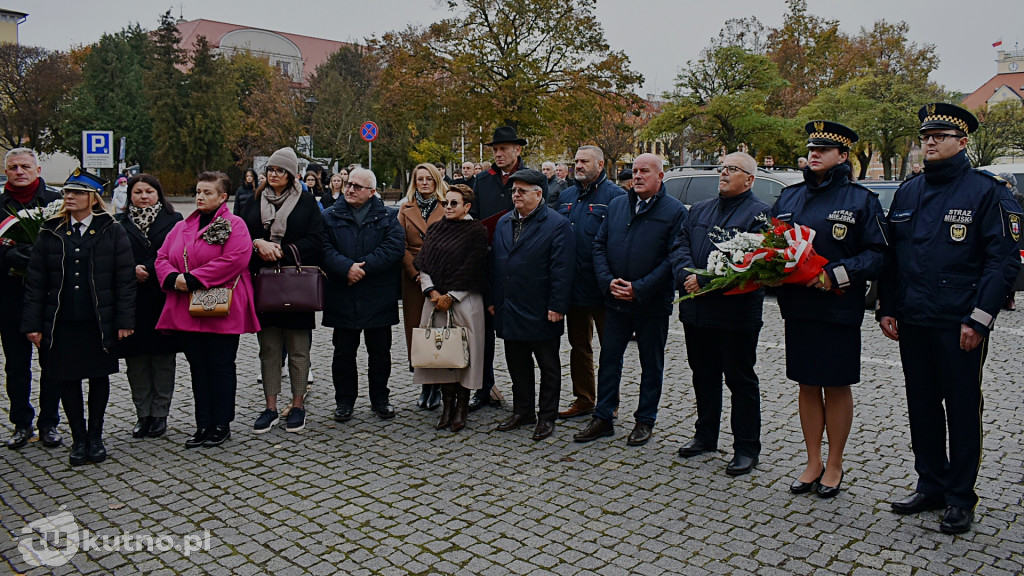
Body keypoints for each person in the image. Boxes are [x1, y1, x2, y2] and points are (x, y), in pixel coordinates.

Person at [879, 103, 1021, 534]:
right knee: (921, 407)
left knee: (961, 409)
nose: (931, 143)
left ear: (963, 143)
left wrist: (979, 320)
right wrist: (887, 306)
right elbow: (894, 258)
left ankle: (961, 496)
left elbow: (1002, 263)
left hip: (958, 323)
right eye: (926, 137)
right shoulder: (908, 191)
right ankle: (931, 484)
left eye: (940, 137)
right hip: (915, 319)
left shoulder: (986, 190)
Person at [770, 121, 886, 499]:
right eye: (811, 148)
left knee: (835, 385)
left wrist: (836, 274)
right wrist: (769, 269)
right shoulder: (789, 197)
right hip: (798, 306)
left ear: (843, 156)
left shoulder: (861, 200)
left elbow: (878, 253)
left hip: (838, 306)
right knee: (806, 383)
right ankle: (812, 460)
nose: (814, 153)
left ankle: (835, 463)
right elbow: (771, 243)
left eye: (824, 149)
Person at [22, 169, 136, 466]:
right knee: (66, 378)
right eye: (67, 193)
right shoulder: (50, 230)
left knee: (99, 377)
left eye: (76, 193)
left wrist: (125, 320)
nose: (69, 197)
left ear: (92, 198)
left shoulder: (111, 229)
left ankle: (96, 436)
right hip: (61, 321)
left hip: (98, 320)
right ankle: (78, 437)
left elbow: (124, 279)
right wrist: (33, 324)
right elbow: (36, 281)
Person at [574, 153, 687, 447]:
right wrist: (607, 281)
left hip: (650, 303)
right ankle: (603, 417)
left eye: (644, 171)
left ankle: (644, 420)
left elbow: (672, 258)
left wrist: (640, 288)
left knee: (651, 363)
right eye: (635, 171)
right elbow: (599, 245)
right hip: (615, 300)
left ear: (660, 176)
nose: (637, 176)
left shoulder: (674, 211)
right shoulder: (617, 206)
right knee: (609, 359)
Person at [671, 152, 770, 476]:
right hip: (697, 311)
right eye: (722, 168)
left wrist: (706, 280)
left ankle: (746, 447)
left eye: (732, 169)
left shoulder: (760, 215)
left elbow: (754, 262)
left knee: (740, 380)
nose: (723, 173)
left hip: (735, 314)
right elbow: (679, 245)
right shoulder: (699, 209)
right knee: (704, 375)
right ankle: (705, 435)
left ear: (750, 179)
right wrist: (686, 274)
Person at [155, 171, 260, 449]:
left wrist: (191, 279)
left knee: (221, 366)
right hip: (188, 307)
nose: (200, 197)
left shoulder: (234, 224)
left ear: (223, 197)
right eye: (198, 191)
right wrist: (171, 277)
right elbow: (163, 256)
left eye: (208, 192)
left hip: (221, 305)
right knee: (198, 367)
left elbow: (236, 258)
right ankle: (203, 423)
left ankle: (221, 424)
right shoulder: (182, 226)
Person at [244, 147, 324, 434]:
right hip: (263, 284)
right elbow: (239, 237)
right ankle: (270, 406)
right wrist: (257, 245)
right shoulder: (251, 201)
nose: (274, 175)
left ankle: (298, 404)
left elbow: (317, 240)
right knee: (269, 349)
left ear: (292, 175)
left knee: (299, 349)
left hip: (295, 283)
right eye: (271, 170)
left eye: (281, 171)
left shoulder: (305, 202)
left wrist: (283, 251)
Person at [490, 169, 573, 441]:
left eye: (522, 191)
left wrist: (557, 306)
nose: (516, 195)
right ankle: (523, 410)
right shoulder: (504, 222)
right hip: (509, 305)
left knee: (548, 366)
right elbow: (494, 264)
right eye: (514, 190)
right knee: (517, 363)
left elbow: (562, 269)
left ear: (539, 194)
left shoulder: (557, 224)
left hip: (541, 308)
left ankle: (546, 416)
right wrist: (493, 299)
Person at [322, 167, 404, 422]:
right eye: (348, 184)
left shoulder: (389, 216)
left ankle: (380, 398)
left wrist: (363, 268)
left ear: (372, 192)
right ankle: (344, 401)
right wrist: (345, 268)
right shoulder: (329, 216)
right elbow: (322, 248)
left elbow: (394, 248)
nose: (350, 189)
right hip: (342, 293)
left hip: (377, 294)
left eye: (357, 186)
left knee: (380, 352)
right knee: (343, 353)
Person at [554, 146, 624, 420]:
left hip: (604, 287)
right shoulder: (567, 195)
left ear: (600, 164)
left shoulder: (615, 196)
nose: (578, 166)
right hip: (575, 286)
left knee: (611, 349)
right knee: (579, 347)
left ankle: (609, 403)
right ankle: (584, 399)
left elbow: (619, 242)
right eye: (575, 161)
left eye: (584, 161)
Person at [413, 184, 489, 431]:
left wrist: (452, 296)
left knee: (465, 355)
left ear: (467, 206)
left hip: (464, 303)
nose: (448, 207)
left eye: (454, 203)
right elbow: (424, 263)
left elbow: (475, 268)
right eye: (446, 202)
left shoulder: (476, 231)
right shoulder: (435, 229)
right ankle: (447, 406)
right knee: (442, 353)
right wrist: (433, 292)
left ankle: (462, 408)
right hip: (435, 303)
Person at [1, 148, 62, 450]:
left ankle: (49, 422)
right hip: (10, 296)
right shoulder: (0, 205)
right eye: (13, 167)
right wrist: (8, 255)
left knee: (51, 362)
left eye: (25, 166)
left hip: (49, 298)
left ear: (38, 170)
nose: (19, 171)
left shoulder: (55, 203)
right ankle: (21, 422)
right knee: (16, 364)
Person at [116, 174, 183, 439]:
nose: (143, 196)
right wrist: (129, 270)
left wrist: (155, 270)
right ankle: (142, 413)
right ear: (129, 196)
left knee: (163, 359)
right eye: (137, 192)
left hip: (163, 297)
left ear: (159, 194)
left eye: (149, 191)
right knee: (136, 360)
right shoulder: (118, 223)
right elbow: (110, 257)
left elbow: (180, 254)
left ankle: (160, 414)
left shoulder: (174, 221)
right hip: (132, 301)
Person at [468, 126, 529, 411]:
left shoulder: (529, 179)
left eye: (503, 149)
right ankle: (484, 386)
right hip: (488, 261)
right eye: (495, 150)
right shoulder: (482, 180)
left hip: (519, 264)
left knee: (518, 332)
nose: (498, 154)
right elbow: (474, 220)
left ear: (518, 150)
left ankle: (524, 396)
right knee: (483, 330)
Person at [398, 163, 447, 410]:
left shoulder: (447, 204)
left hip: (441, 276)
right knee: (418, 330)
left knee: (438, 329)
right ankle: (424, 383)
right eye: (420, 179)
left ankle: (437, 384)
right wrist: (415, 272)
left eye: (429, 178)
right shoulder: (405, 209)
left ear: (437, 180)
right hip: (414, 277)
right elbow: (400, 244)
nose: (424, 183)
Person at [998, 173, 1023, 311]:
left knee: (1013, 270)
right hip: (1000, 237)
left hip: (1016, 238)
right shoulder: (996, 197)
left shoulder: (1019, 199)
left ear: (1010, 184)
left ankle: (1010, 298)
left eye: (1005, 182)